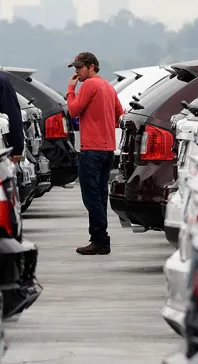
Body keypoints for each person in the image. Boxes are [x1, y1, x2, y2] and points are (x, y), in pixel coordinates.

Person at [66, 52, 123, 255]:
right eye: (75, 68)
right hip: (108, 149)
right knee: (100, 195)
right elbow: (119, 114)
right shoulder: (108, 86)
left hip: (92, 149)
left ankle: (100, 239)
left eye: (80, 68)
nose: (77, 72)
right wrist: (103, 124)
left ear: (91, 67)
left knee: (91, 197)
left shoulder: (89, 85)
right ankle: (100, 239)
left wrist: (71, 89)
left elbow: (73, 110)